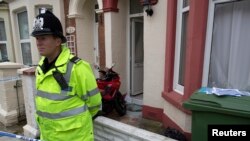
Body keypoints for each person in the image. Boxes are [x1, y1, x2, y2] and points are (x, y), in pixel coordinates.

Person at [31, 9, 102, 141]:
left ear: (58, 41)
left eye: (43, 38)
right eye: (37, 38)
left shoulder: (77, 68)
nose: (38, 43)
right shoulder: (41, 67)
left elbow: (94, 104)